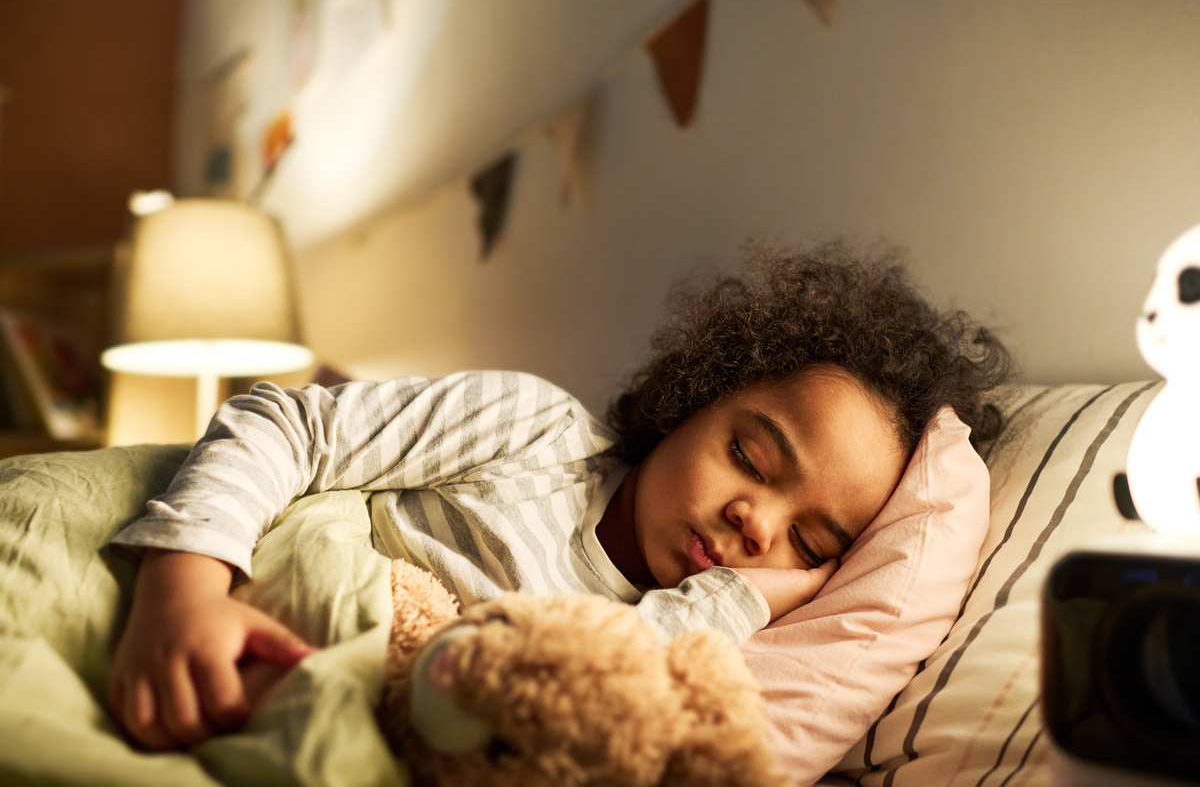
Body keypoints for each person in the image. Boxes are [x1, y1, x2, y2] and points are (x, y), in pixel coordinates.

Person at [107, 240, 1012, 751]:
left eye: (809, 545)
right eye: (748, 456)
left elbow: (584, 708)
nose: (757, 521)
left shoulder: (707, 637)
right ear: (695, 397)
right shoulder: (534, 431)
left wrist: (734, 600)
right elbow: (289, 422)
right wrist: (181, 590)